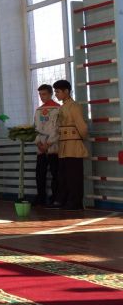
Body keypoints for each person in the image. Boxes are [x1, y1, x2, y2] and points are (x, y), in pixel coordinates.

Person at [47, 79, 88, 210]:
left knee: (74, 176)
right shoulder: (62, 107)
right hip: (63, 146)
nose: (56, 94)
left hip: (73, 145)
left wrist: (80, 139)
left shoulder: (74, 106)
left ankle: (75, 202)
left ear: (66, 91)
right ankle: (64, 200)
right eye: (55, 92)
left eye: (58, 92)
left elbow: (82, 126)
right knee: (63, 176)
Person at [33, 84, 60, 206]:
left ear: (50, 94)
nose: (41, 97)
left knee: (56, 174)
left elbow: (57, 129)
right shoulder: (38, 110)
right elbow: (35, 128)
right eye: (40, 94)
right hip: (41, 148)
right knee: (40, 174)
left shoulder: (57, 109)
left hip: (53, 147)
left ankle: (55, 198)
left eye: (44, 94)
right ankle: (41, 198)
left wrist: (48, 144)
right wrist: (38, 142)